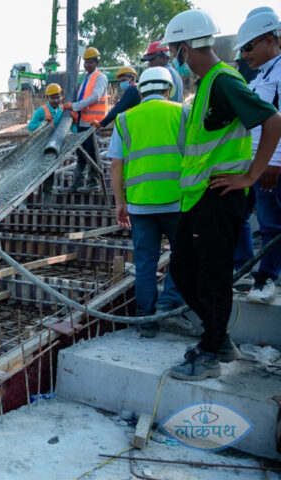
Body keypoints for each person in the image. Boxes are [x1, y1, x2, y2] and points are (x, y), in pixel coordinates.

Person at [163, 9, 281, 381]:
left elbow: (273, 121)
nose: (173, 57)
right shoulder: (207, 85)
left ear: (185, 48)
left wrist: (251, 175)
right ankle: (219, 339)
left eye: (173, 50)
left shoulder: (224, 81)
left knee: (211, 277)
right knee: (183, 272)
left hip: (219, 196)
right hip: (200, 197)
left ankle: (211, 353)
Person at [109, 67, 187, 338]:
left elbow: (116, 165)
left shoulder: (124, 119)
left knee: (144, 263)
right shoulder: (183, 112)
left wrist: (120, 202)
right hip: (177, 201)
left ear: (140, 91)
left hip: (140, 204)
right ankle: (169, 304)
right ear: (169, 89)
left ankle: (146, 320)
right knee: (183, 255)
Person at [233, 8, 281, 303]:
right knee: (238, 215)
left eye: (249, 47)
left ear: (269, 40)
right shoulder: (262, 73)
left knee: (271, 224)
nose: (245, 54)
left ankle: (266, 279)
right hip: (252, 163)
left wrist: (274, 163)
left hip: (270, 165)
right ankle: (244, 268)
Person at [64, 47, 109, 192]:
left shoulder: (100, 77)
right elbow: (82, 97)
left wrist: (75, 106)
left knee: (92, 153)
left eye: (90, 62)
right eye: (85, 62)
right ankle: (77, 183)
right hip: (82, 122)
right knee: (81, 154)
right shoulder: (86, 79)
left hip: (93, 123)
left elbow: (95, 96)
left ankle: (94, 182)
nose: (87, 65)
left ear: (96, 62)